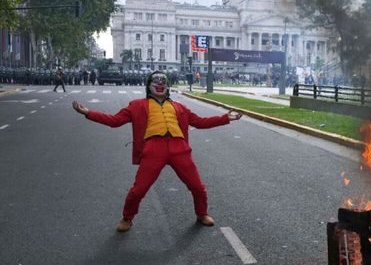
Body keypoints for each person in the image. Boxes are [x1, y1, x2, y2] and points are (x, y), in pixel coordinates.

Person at [71, 70, 242, 232]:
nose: (160, 84)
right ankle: (127, 218)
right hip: (153, 149)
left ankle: (202, 213)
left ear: (168, 86)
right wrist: (88, 113)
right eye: (156, 81)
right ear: (149, 86)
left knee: (197, 186)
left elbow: (199, 122)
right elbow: (115, 121)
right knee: (139, 189)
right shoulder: (137, 105)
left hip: (179, 148)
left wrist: (225, 118)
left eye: (164, 81)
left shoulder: (179, 107)